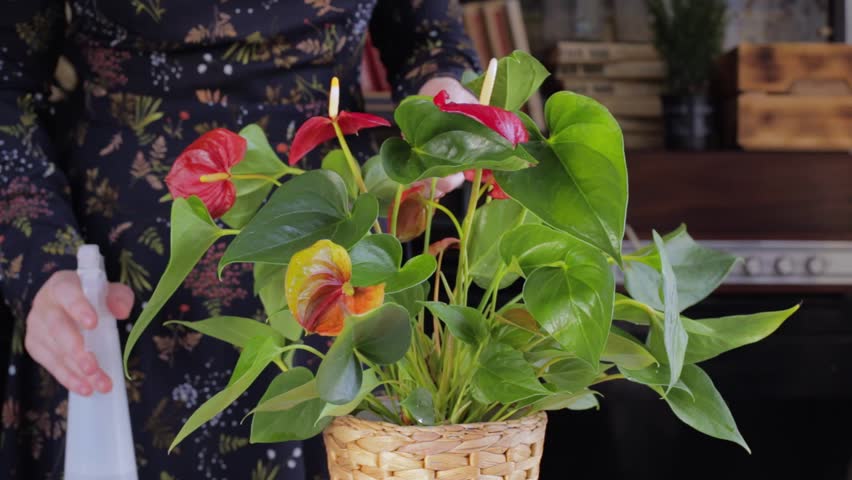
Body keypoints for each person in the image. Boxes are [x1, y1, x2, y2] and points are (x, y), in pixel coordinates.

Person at [0, 1, 478, 478]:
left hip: (337, 239)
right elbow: (8, 79)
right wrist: (40, 261)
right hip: (116, 265)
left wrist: (444, 93)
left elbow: (429, 34)